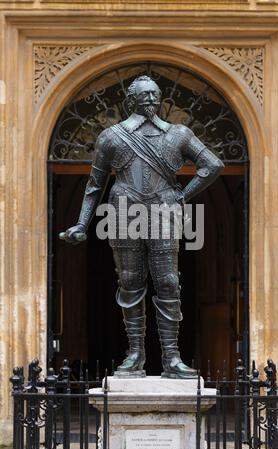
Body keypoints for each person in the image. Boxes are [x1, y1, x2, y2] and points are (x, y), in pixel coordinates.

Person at [60, 75, 224, 379]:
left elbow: (212, 165)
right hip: (124, 209)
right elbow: (95, 184)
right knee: (130, 280)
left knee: (168, 281)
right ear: (131, 100)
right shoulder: (112, 136)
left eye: (154, 94)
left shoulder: (179, 133)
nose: (150, 99)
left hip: (163, 209)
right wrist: (82, 224)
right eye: (143, 95)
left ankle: (172, 358)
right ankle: (135, 354)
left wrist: (182, 195)